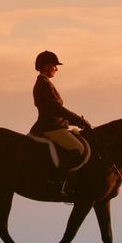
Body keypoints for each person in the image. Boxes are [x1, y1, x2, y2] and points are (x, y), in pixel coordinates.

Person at [29, 50, 91, 190]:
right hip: (50, 127)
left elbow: (57, 111)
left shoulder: (45, 83)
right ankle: (60, 179)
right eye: (54, 66)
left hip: (55, 125)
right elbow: (56, 109)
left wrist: (76, 121)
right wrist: (80, 121)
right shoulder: (44, 84)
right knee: (78, 148)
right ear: (45, 67)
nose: (56, 69)